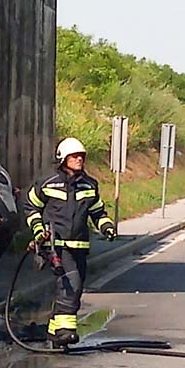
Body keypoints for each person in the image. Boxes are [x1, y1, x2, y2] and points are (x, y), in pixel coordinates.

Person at [23, 137, 116, 347]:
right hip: (56, 245)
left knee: (75, 286)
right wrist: (39, 230)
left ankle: (54, 334)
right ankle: (65, 331)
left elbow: (97, 212)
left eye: (81, 156)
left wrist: (106, 226)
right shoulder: (48, 183)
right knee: (70, 286)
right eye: (74, 156)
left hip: (79, 247)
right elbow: (31, 207)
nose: (79, 160)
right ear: (63, 158)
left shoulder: (89, 184)